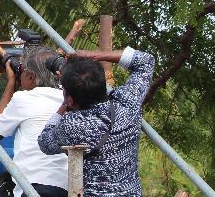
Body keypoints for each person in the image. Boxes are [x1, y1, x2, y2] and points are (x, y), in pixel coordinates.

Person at [38, 47, 156, 196]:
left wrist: (64, 105)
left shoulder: (73, 125)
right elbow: (146, 61)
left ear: (70, 99)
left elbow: (44, 142)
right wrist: (93, 55)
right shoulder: (126, 104)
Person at [0, 48, 68, 197]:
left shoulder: (24, 98)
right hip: (69, 185)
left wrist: (11, 83)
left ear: (31, 76)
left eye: (23, 72)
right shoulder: (70, 98)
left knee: (3, 184)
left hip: (35, 187)